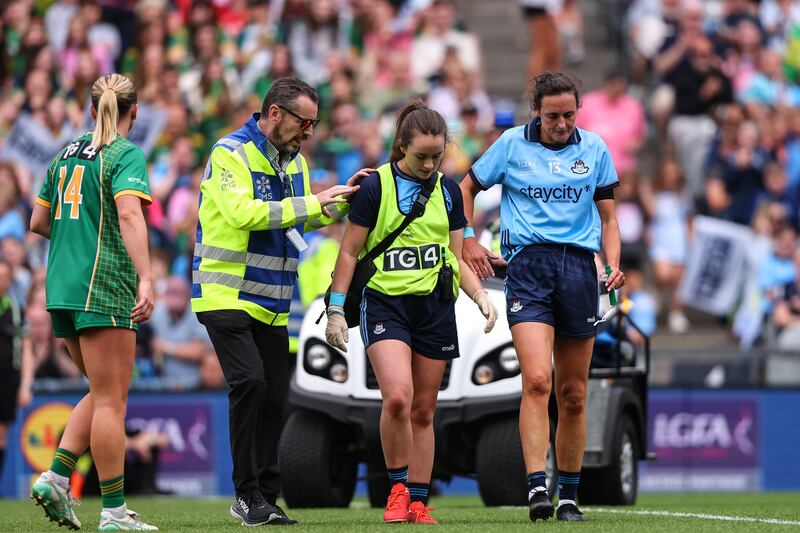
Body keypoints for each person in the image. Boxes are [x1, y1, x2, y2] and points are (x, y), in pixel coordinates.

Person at [192, 77, 368, 527]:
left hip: (271, 300)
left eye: (313, 123)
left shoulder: (296, 163)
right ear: (275, 114)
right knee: (250, 383)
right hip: (225, 293)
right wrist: (312, 201)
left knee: (276, 399)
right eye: (303, 122)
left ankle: (265, 498)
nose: (309, 131)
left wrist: (342, 201)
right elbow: (241, 213)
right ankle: (245, 494)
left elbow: (297, 222)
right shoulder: (229, 152)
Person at [459, 72, 625, 522]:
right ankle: (537, 487)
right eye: (552, 115)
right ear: (537, 110)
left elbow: (609, 221)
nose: (561, 123)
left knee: (573, 393)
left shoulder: (593, 149)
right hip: (528, 269)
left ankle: (569, 495)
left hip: (577, 270)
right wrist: (468, 240)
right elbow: (466, 187)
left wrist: (611, 264)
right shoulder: (511, 144)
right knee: (536, 381)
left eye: (569, 114)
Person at [324, 101, 498, 525]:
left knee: (424, 410)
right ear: (401, 146)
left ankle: (418, 502)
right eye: (421, 156)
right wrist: (334, 309)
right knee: (397, 398)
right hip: (385, 303)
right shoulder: (375, 188)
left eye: (437, 157)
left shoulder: (450, 191)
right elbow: (349, 252)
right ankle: (397, 490)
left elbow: (455, 259)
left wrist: (480, 296)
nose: (429, 165)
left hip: (435, 308)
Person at [29, 73, 158, 530]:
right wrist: (146, 277)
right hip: (102, 286)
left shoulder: (64, 154)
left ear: (90, 109)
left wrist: (78, 239)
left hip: (61, 287)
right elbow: (128, 212)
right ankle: (114, 512)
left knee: (103, 393)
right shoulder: (125, 154)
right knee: (111, 404)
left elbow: (39, 220)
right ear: (134, 112)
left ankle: (57, 476)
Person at [0, 259, 33, 491]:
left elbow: (27, 348)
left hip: (7, 378)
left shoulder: (16, 308)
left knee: (1, 435)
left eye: (5, 275)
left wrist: (25, 384)